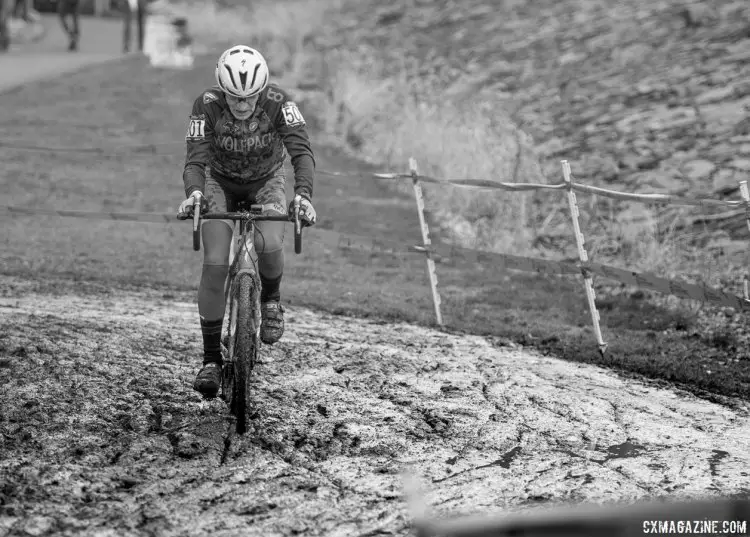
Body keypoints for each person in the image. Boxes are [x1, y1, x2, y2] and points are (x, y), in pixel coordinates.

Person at [177, 45, 318, 399]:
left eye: (249, 98)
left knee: (269, 243)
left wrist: (303, 196)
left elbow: (301, 153)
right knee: (213, 264)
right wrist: (194, 192)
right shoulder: (206, 105)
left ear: (262, 89)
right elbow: (195, 159)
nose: (241, 106)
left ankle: (270, 300)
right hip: (219, 183)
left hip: (266, 182)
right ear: (222, 90)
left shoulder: (281, 104)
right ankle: (210, 359)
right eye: (234, 99)